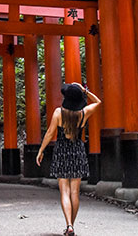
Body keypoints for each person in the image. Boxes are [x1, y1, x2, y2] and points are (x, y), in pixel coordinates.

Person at [36, 82, 101, 236]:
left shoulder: (59, 112)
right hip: (77, 151)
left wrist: (41, 150)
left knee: (64, 192)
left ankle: (69, 225)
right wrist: (85, 90)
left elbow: (50, 133)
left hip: (62, 152)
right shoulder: (84, 113)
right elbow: (98, 102)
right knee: (75, 192)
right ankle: (72, 226)